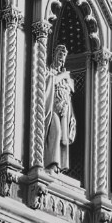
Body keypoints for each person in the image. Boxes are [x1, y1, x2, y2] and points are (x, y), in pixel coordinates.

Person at [41, 43, 76, 174]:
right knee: (55, 130)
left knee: (63, 135)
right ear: (54, 55)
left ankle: (60, 166)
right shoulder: (49, 71)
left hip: (64, 110)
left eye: (64, 56)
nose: (61, 58)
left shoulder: (65, 76)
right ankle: (52, 163)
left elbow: (69, 94)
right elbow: (50, 81)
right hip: (52, 108)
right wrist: (63, 76)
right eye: (60, 54)